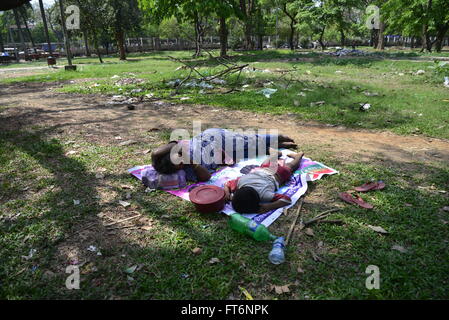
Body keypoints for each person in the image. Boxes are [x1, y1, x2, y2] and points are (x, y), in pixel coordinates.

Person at [151, 128, 297, 182]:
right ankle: (276, 147)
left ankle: (278, 137)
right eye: (179, 165)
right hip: (221, 156)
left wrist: (177, 149)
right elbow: (207, 177)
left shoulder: (179, 147)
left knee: (246, 140)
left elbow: (158, 151)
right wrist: (192, 163)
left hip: (215, 138)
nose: (182, 163)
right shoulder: (187, 170)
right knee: (249, 151)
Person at [223, 152, 304, 214]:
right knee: (265, 164)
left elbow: (287, 200)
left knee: (291, 166)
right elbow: (227, 183)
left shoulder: (264, 195)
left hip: (279, 173)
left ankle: (298, 156)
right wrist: (227, 192)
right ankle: (275, 154)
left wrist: (269, 206)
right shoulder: (240, 182)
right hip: (263, 169)